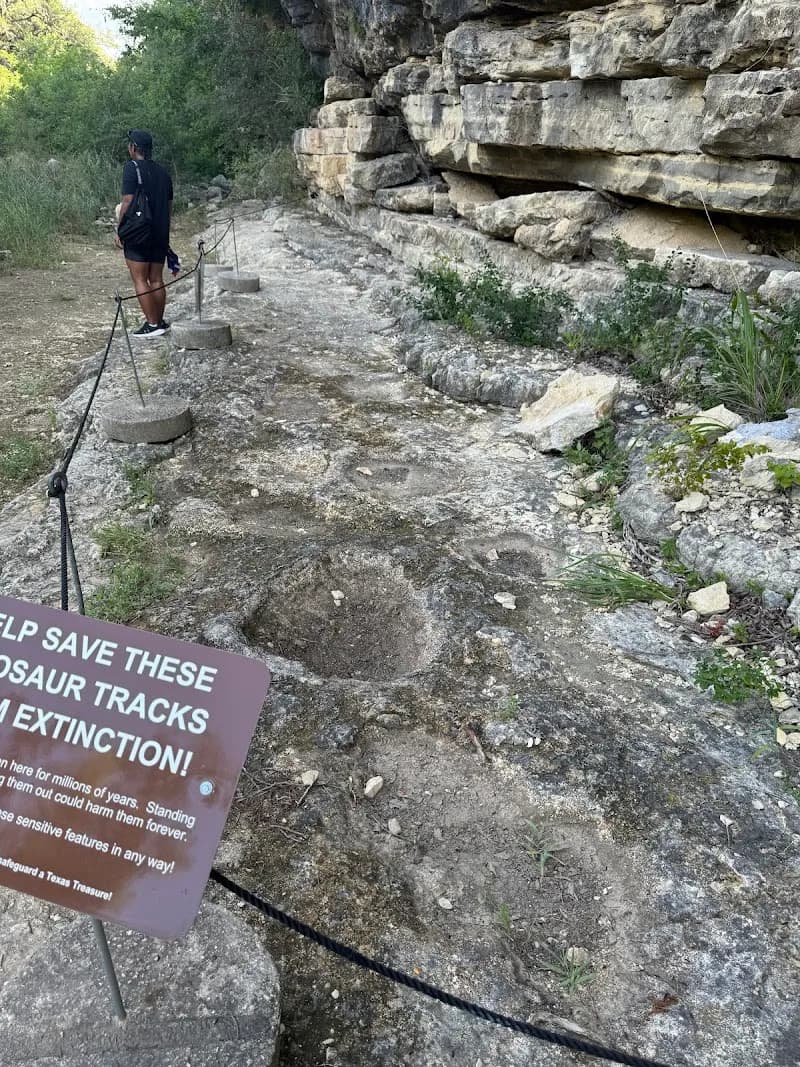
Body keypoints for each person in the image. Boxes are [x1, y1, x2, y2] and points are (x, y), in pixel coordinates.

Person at [114, 129, 173, 338]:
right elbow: (168, 205)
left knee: (139, 279)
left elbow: (128, 201)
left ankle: (152, 323)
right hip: (160, 232)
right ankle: (160, 321)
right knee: (156, 278)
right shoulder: (163, 173)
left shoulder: (132, 168)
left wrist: (120, 229)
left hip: (139, 232)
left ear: (133, 148)